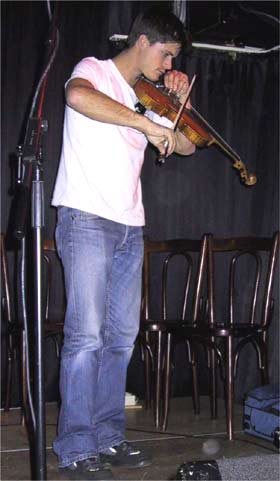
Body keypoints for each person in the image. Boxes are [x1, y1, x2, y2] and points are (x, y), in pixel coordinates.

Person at [51, 6, 196, 480]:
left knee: (120, 339)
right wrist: (145, 124)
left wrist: (178, 108)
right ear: (143, 42)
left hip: (130, 227)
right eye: (166, 55)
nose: (169, 65)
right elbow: (76, 98)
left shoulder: (150, 94)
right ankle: (75, 446)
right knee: (85, 337)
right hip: (87, 219)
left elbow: (190, 144)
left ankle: (108, 436)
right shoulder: (93, 70)